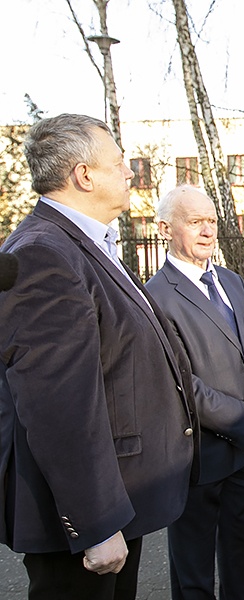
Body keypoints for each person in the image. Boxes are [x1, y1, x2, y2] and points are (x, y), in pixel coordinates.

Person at [0, 113, 196, 600]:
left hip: (117, 493)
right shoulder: (44, 253)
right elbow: (57, 402)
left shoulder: (84, 242)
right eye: (120, 163)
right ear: (84, 175)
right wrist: (94, 520)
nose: (131, 173)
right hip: (83, 517)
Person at [145, 186, 244, 600]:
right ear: (165, 227)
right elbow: (180, 386)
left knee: (243, 557)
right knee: (194, 571)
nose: (207, 232)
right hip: (197, 459)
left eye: (212, 221)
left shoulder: (232, 281)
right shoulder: (155, 296)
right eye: (194, 221)